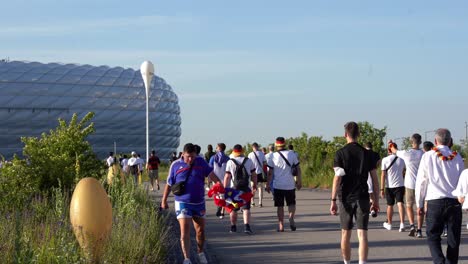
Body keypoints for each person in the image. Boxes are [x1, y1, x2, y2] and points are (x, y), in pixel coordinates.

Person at [161, 143, 220, 264]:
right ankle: (186, 259)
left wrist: (220, 186)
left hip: (199, 202)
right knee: (185, 230)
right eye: (188, 156)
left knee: (200, 231)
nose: (190, 159)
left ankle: (200, 252)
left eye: (193, 156)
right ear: (183, 154)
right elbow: (169, 183)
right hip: (182, 202)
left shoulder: (201, 161)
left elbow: (212, 175)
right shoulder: (175, 165)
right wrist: (164, 200)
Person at [330, 121, 379, 264]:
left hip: (345, 197)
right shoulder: (367, 154)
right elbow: (375, 180)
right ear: (358, 135)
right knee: (362, 234)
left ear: (345, 134)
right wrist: (375, 200)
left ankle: (347, 262)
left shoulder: (340, 154)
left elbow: (337, 179)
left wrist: (333, 200)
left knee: (345, 233)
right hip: (363, 196)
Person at [415, 128, 464, 264]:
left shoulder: (428, 156)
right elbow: (463, 182)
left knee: (433, 236)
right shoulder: (457, 157)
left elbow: (421, 182)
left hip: (434, 201)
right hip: (454, 202)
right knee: (453, 239)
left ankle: (439, 261)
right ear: (450, 141)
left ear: (435, 141)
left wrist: (419, 204)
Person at [390, 134, 424, 237]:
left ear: (411, 142)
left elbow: (394, 151)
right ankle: (419, 230)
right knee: (420, 208)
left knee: (409, 206)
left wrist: (391, 144)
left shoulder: (407, 153)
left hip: (409, 184)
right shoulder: (424, 154)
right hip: (421, 185)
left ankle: (412, 225)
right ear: (420, 142)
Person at [266, 137, 302, 232]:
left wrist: (268, 184)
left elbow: (270, 172)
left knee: (280, 206)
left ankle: (281, 225)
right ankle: (291, 217)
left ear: (276, 145)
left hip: (278, 185)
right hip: (290, 184)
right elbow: (298, 169)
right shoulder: (292, 154)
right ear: (284, 144)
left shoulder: (272, 156)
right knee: (291, 203)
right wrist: (299, 181)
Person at [224, 144, 257, 234]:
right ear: (242, 151)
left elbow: (227, 176)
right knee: (246, 208)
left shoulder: (230, 162)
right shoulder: (249, 161)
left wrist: (224, 188)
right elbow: (254, 175)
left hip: (234, 189)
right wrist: (255, 185)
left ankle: (233, 227)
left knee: (233, 208)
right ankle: (247, 227)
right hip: (246, 188)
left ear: (234, 152)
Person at [381, 142, 406, 232]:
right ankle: (402, 224)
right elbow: (403, 172)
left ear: (389, 150)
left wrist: (381, 188)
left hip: (389, 186)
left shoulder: (385, 160)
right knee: (400, 203)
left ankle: (390, 224)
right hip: (400, 184)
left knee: (390, 205)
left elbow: (383, 175)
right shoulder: (402, 160)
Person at [211, 143, 230, 219]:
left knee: (217, 194)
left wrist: (209, 179)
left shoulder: (213, 157)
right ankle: (222, 211)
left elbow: (210, 168)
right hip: (225, 177)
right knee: (224, 194)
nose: (215, 149)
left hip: (216, 178)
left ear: (219, 148)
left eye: (216, 147)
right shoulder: (227, 158)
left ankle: (219, 205)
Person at [248, 142, 267, 207]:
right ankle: (260, 202)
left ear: (253, 147)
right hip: (260, 173)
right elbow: (265, 163)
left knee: (253, 188)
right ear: (258, 147)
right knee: (260, 189)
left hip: (253, 173)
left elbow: (248, 164)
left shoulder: (250, 154)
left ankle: (252, 202)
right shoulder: (262, 154)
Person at [363, 142, 381, 210]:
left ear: (365, 147)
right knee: (374, 187)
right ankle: (373, 203)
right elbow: (379, 162)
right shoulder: (376, 154)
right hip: (374, 172)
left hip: (365, 173)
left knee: (369, 189)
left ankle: (371, 203)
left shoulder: (364, 153)